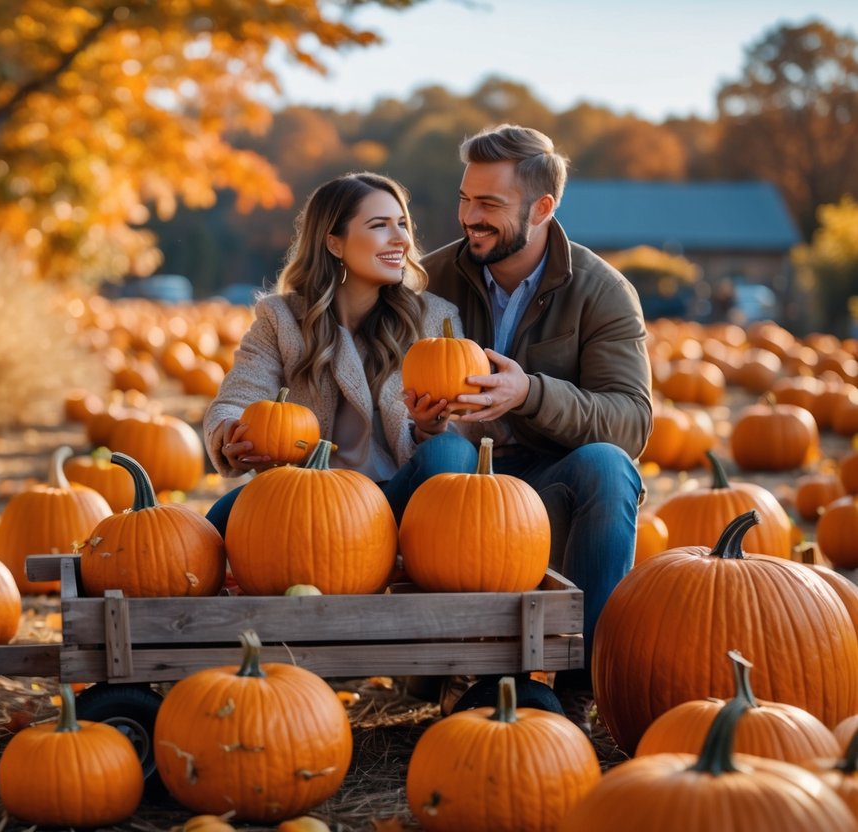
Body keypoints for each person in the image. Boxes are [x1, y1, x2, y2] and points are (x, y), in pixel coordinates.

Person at [422, 124, 653, 700]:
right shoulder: (429, 280)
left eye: (489, 204)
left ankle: (581, 689)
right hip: (455, 492)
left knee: (608, 465)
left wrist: (530, 393)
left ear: (542, 207)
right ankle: (441, 667)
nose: (469, 217)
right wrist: (421, 419)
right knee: (444, 449)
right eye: (464, 198)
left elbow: (632, 421)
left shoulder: (601, 292)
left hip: (549, 492)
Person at [203, 171, 467, 532]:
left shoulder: (434, 319)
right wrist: (231, 432)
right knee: (216, 522)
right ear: (334, 244)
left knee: (451, 453)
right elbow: (238, 396)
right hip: (313, 496)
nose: (400, 239)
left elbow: (465, 423)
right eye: (379, 226)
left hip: (396, 497)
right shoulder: (281, 319)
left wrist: (428, 427)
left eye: (402, 224)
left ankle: (401, 548)